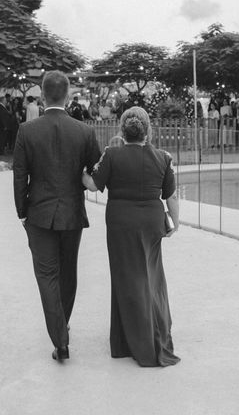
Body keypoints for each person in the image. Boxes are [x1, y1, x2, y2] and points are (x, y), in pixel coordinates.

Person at [13, 71, 102, 362]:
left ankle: (61, 340)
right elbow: (96, 172)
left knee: (47, 276)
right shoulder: (84, 131)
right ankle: (61, 331)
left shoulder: (27, 131)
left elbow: (20, 176)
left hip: (39, 215)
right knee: (68, 274)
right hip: (72, 214)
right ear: (67, 95)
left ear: (42, 94)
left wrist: (22, 213)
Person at [82, 107, 181, 367]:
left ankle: (127, 340)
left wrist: (78, 171)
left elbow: (92, 185)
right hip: (151, 222)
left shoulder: (112, 155)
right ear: (148, 130)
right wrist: (175, 222)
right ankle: (156, 329)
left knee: (126, 277)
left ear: (122, 130)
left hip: (120, 223)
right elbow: (170, 196)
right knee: (152, 275)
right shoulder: (163, 157)